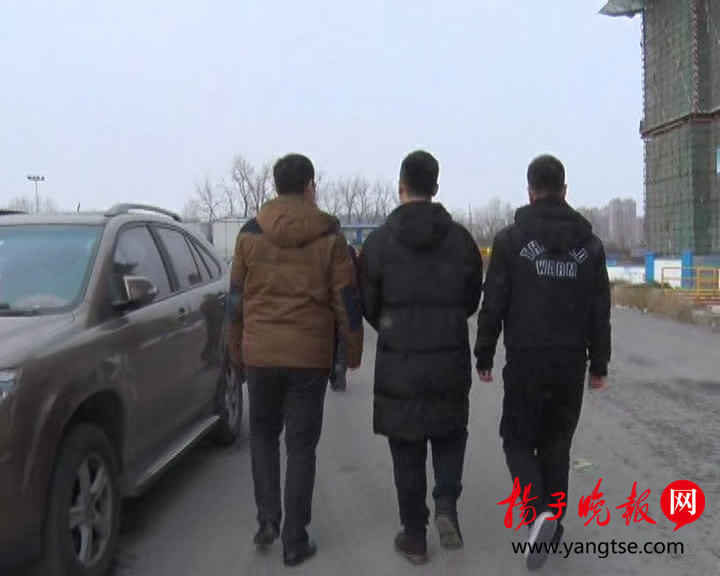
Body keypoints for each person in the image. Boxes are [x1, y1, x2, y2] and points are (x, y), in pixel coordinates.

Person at [474, 154, 611, 571]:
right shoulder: (590, 246)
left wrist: (484, 352)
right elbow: (599, 311)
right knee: (556, 445)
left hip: (526, 359)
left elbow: (494, 301)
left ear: (530, 191)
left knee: (517, 439)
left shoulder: (511, 241)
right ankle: (554, 522)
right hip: (570, 361)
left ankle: (538, 516)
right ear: (564, 191)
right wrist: (599, 364)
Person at [228, 153, 363, 567]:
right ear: (310, 187)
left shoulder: (250, 234)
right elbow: (346, 299)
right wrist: (352, 350)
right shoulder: (329, 235)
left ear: (275, 186)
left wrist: (236, 351)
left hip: (260, 354)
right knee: (301, 447)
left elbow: (235, 301)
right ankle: (295, 539)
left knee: (263, 437)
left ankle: (267, 518)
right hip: (308, 356)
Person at [359, 150, 484, 564]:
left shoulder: (378, 243)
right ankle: (446, 500)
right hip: (448, 358)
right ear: (435, 187)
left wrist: (395, 327)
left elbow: (369, 304)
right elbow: (471, 299)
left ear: (401, 187)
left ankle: (414, 535)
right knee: (449, 432)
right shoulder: (461, 241)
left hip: (400, 362)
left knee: (406, 447)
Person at [329, 242, 359, 391]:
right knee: (343, 336)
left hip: (326, 300)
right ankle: (341, 365)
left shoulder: (320, 248)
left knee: (330, 337)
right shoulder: (349, 251)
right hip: (346, 299)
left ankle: (332, 371)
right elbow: (357, 275)